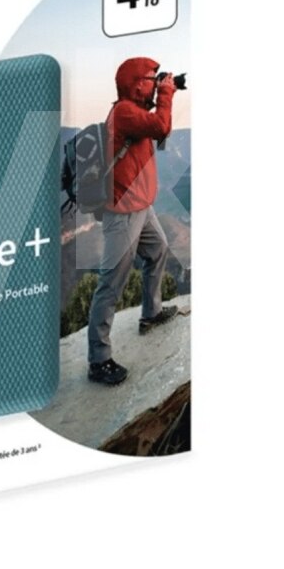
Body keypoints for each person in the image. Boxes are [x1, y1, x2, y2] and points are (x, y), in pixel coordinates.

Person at [87, 56, 179, 386]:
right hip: (124, 211)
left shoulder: (135, 110)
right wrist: (166, 94)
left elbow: (157, 128)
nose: (157, 84)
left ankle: (151, 313)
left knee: (158, 251)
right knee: (111, 283)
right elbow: (161, 127)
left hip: (141, 206)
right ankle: (99, 360)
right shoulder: (125, 112)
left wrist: (163, 92)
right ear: (137, 84)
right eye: (153, 79)